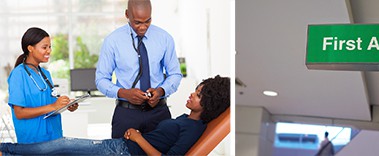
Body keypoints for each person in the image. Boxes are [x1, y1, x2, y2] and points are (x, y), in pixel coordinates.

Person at [0, 75, 230, 155]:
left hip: (122, 151)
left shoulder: (193, 128)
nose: (192, 94)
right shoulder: (186, 119)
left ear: (209, 103)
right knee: (61, 148)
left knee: (60, 146)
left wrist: (139, 138)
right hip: (122, 147)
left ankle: (6, 149)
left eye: (198, 95)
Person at [95, 0, 183, 138]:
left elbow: (175, 74)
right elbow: (101, 79)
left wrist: (160, 91)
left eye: (147, 21)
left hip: (159, 112)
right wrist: (124, 93)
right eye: (137, 22)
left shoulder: (165, 38)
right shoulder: (112, 41)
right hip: (126, 114)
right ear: (127, 14)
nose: (143, 27)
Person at [7, 27, 78, 144]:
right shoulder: (18, 74)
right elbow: (19, 113)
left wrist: (66, 105)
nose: (49, 51)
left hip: (54, 137)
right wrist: (53, 106)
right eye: (44, 47)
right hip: (34, 140)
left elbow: (50, 104)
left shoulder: (46, 74)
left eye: (50, 47)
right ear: (30, 48)